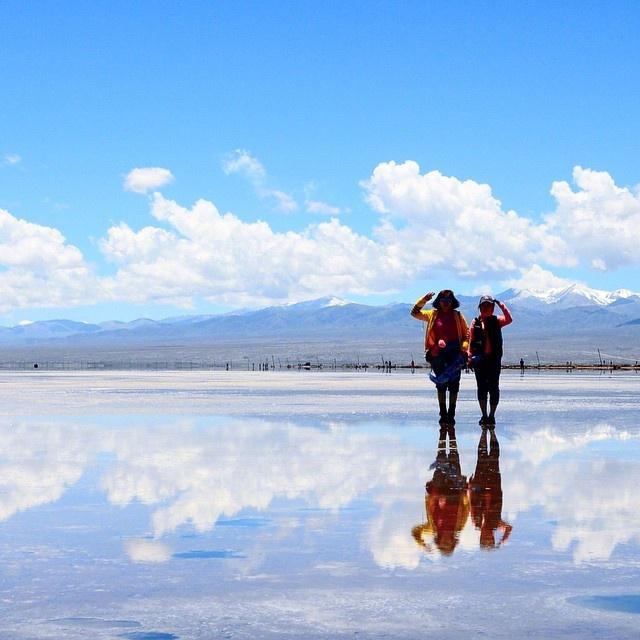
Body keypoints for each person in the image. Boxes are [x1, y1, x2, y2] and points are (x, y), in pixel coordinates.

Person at [411, 290, 469, 425]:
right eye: (443, 301)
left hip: (455, 354)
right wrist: (423, 300)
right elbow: (414, 313)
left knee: (454, 385)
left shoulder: (458, 315)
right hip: (437, 354)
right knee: (441, 384)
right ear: (438, 302)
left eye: (448, 302)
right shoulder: (432, 314)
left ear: (452, 302)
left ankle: (451, 414)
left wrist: (464, 347)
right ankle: (443, 414)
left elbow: (466, 333)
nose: (446, 304)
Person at [411, 424, 469, 555]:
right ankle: (451, 434)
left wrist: (423, 544)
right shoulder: (458, 527)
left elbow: (415, 532)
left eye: (444, 543)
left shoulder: (432, 529)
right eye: (448, 543)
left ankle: (443, 434)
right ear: (453, 542)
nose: (446, 540)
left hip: (438, 490)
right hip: (455, 490)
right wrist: (465, 494)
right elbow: (465, 510)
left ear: (439, 542)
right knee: (454, 457)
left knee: (441, 459)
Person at [468, 295, 512, 426]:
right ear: (480, 307)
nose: (486, 308)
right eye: (484, 305)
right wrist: (469, 357)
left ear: (493, 308)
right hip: (479, 360)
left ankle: (492, 415)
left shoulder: (497, 320)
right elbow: (471, 341)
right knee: (481, 387)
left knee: (493, 388)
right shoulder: (475, 323)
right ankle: (484, 415)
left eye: (489, 305)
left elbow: (509, 319)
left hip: (494, 360)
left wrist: (501, 305)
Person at [468, 426, 512, 549]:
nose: (488, 535)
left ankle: (483, 434)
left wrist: (470, 488)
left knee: (481, 458)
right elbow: (508, 528)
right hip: (494, 487)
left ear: (481, 536)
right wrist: (502, 540)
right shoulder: (496, 524)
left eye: (486, 538)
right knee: (494, 457)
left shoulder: (476, 522)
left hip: (479, 486)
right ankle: (492, 434)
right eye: (490, 538)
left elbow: (472, 505)